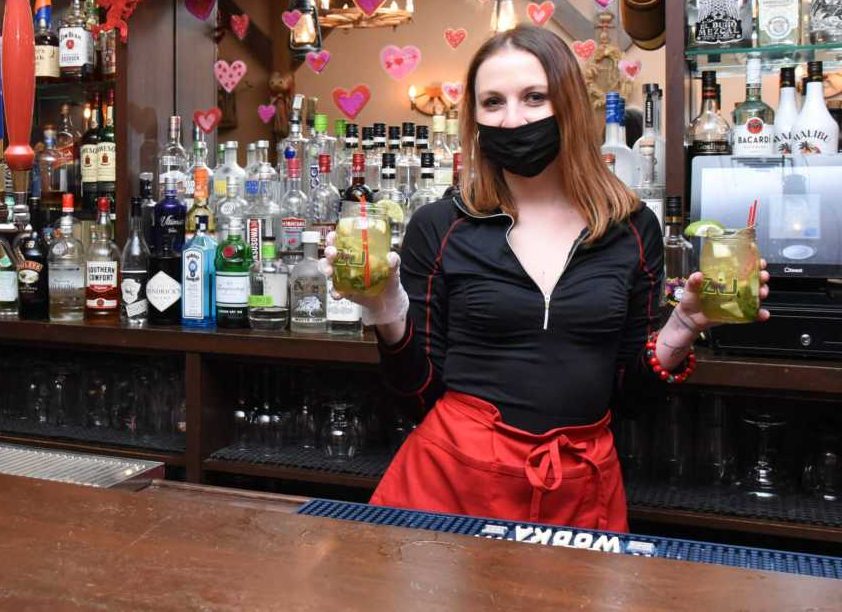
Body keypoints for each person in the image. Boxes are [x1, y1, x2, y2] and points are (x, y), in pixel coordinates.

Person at [321, 27, 770, 532]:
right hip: (450, 483)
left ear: (571, 105)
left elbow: (630, 398)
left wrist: (683, 327)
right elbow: (418, 395)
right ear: (474, 118)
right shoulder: (441, 226)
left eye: (535, 97)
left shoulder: (632, 228)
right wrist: (384, 307)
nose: (513, 119)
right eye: (493, 102)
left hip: (578, 487)